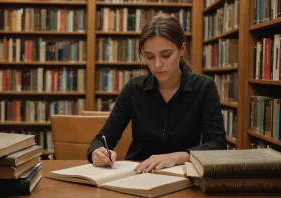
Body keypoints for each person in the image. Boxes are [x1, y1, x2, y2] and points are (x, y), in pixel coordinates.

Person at [87, 14, 227, 174]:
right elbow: (103, 139)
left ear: (182, 49)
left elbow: (217, 144)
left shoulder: (204, 87)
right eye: (149, 57)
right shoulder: (134, 89)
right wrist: (97, 152)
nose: (157, 65)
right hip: (137, 176)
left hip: (183, 178)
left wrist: (174, 157)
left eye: (166, 55)